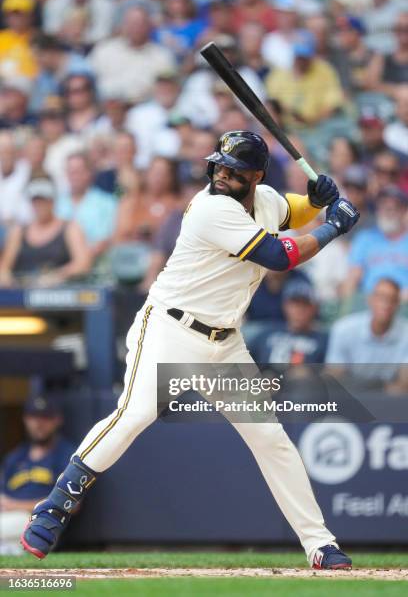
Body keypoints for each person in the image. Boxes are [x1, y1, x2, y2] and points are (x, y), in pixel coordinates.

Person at [21, 130, 359, 569]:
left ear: (255, 176)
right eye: (218, 165)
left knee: (271, 439)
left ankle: (320, 543)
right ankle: (55, 504)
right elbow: (279, 256)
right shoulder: (210, 208)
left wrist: (314, 201)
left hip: (224, 341)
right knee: (134, 415)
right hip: (169, 329)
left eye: (233, 170)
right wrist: (333, 224)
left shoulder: (267, 198)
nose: (221, 173)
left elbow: (286, 210)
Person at [0, 393, 73, 555]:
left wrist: (15, 505)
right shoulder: (15, 457)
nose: (38, 423)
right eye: (33, 417)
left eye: (45, 417)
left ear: (57, 420)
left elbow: (72, 505)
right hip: (9, 521)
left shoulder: (66, 455)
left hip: (42, 522)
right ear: (25, 419)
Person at [0, 177, 90, 288]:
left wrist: (58, 275)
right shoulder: (18, 232)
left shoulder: (70, 228)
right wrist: (7, 278)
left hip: (59, 292)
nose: (39, 205)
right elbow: (4, 268)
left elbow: (83, 263)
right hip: (22, 292)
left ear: (52, 201)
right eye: (35, 201)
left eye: (43, 200)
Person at [326, 278, 408, 393]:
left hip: (390, 400)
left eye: (392, 299)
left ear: (398, 304)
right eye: (381, 298)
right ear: (370, 300)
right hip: (351, 396)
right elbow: (335, 375)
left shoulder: (406, 333)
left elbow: (404, 385)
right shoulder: (344, 329)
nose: (386, 304)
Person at [343, 185, 408, 298]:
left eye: (394, 207)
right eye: (383, 206)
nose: (388, 211)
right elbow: (353, 277)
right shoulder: (365, 238)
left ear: (404, 210)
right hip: (369, 303)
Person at [55, 152, 118, 262]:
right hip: (59, 263)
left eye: (78, 171)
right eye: (70, 171)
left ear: (89, 173)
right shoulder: (56, 203)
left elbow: (106, 240)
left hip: (95, 264)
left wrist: (81, 259)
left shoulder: (107, 203)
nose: (74, 176)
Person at [249, 280, 327, 365]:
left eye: (305, 304)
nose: (300, 310)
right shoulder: (267, 333)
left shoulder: (323, 341)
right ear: (285, 306)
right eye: (295, 304)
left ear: (315, 308)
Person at [0, 0, 37, 82]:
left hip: (31, 85)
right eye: (12, 14)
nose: (17, 18)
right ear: (6, 17)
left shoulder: (38, 38)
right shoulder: (1, 38)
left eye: (21, 14)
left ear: (31, 16)